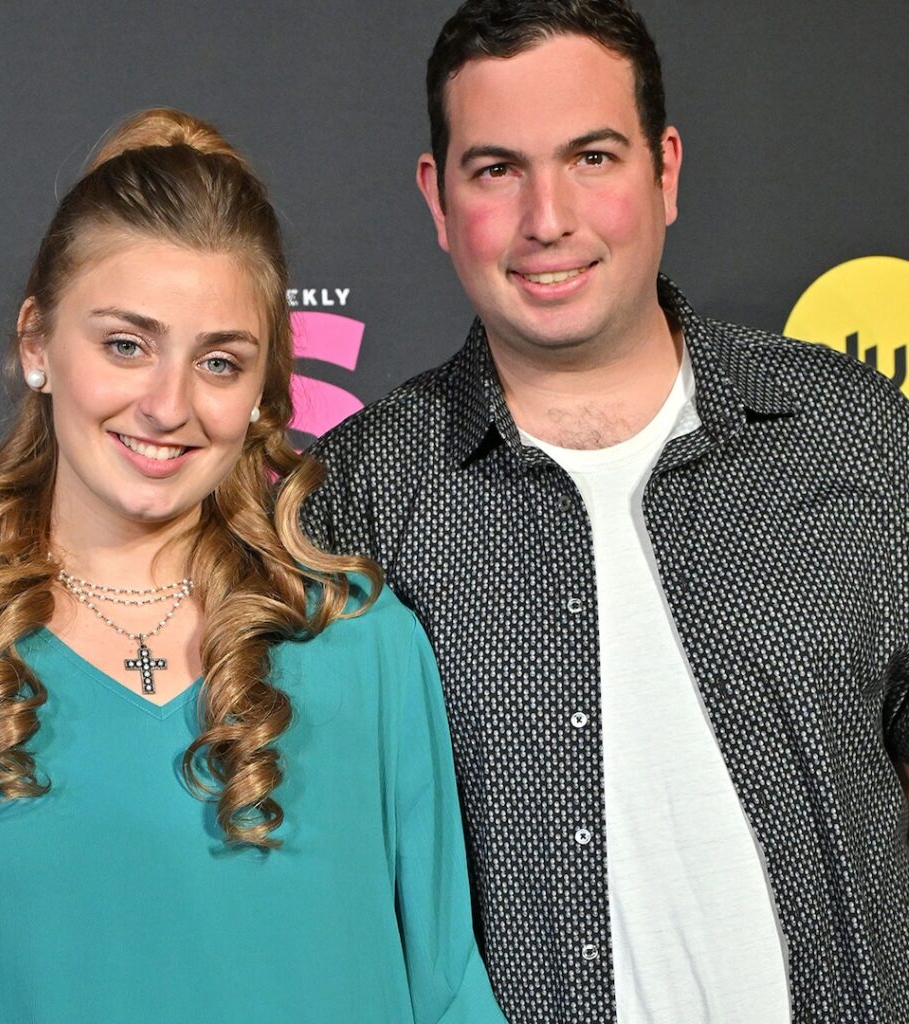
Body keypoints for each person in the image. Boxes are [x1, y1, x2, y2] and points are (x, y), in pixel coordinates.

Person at [301, 2, 909, 1022]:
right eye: (497, 170)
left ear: (664, 170)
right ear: (438, 199)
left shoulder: (851, 433)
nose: (548, 218)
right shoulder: (357, 495)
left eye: (591, 158)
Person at [0, 108, 507, 1024]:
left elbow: (448, 994)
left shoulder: (366, 648)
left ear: (261, 390)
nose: (168, 405)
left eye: (218, 362)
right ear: (36, 344)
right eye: (126, 345)